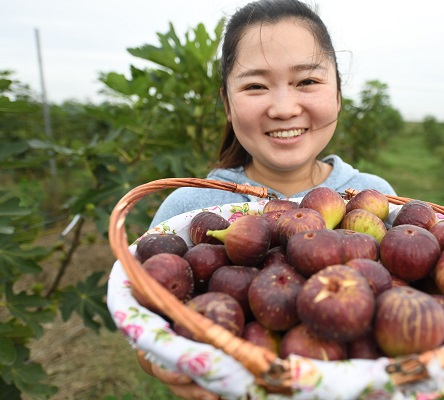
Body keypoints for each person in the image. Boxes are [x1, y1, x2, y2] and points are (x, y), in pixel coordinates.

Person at [139, 0, 397, 398]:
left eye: (307, 82)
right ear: (227, 103)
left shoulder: (373, 195)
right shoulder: (189, 206)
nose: (283, 108)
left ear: (339, 94)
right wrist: (164, 363)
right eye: (256, 86)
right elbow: (147, 319)